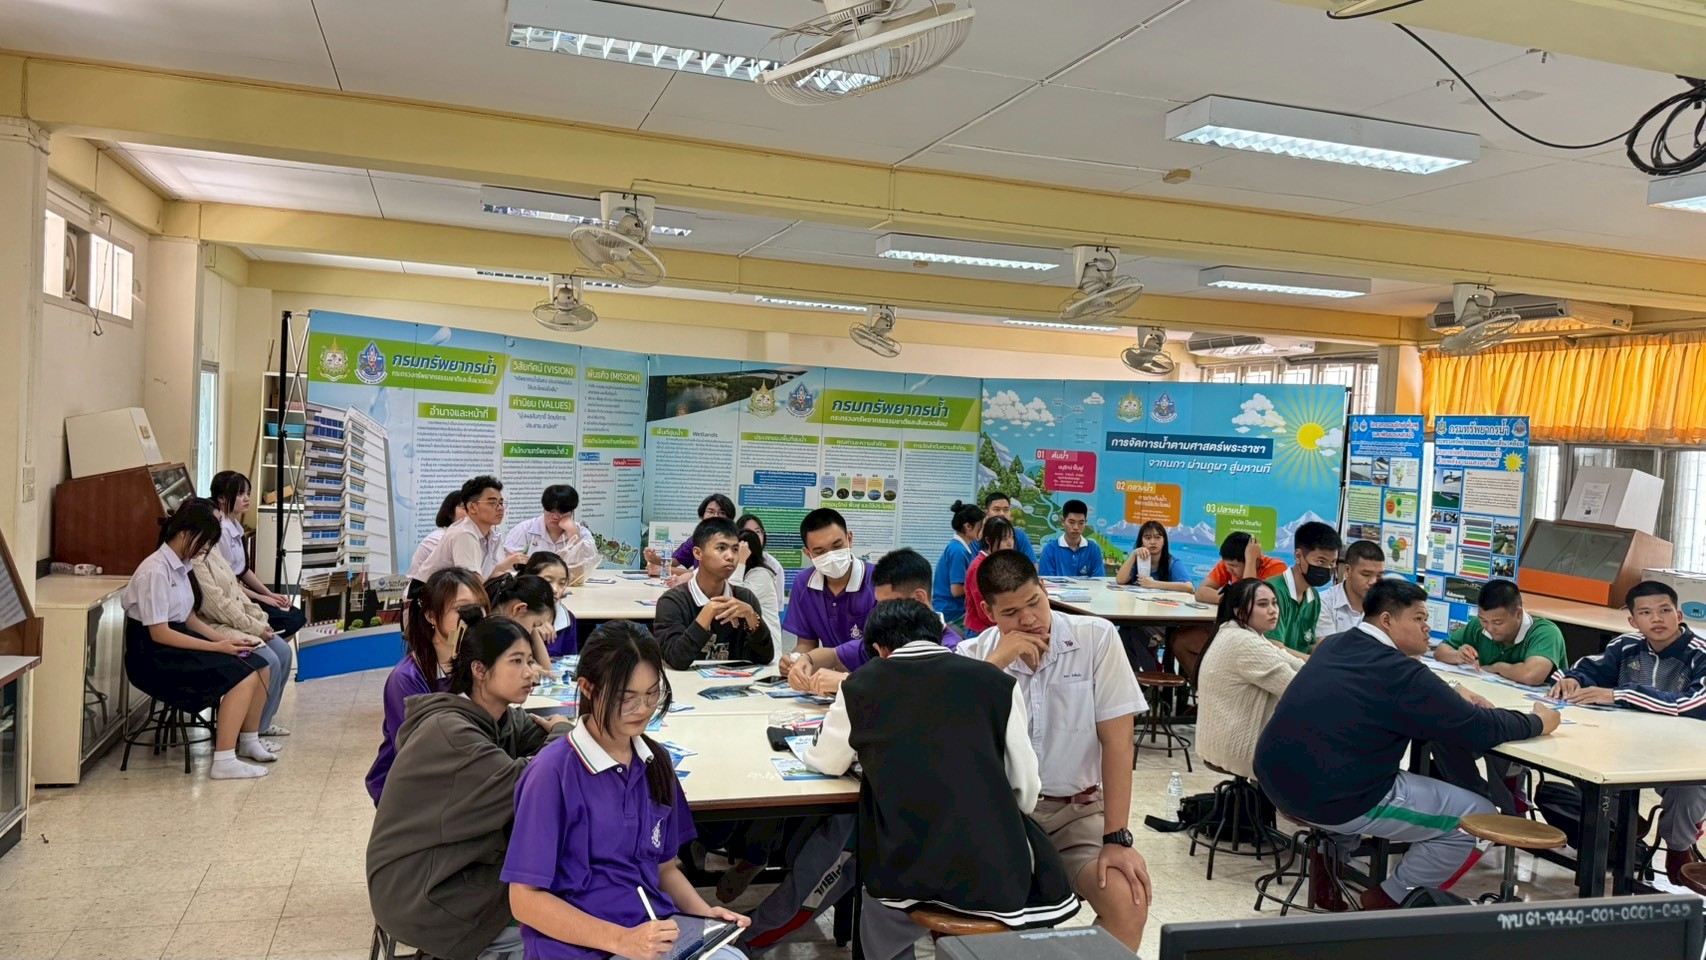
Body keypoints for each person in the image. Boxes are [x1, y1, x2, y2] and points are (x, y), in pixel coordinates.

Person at [1252, 578, 1560, 911]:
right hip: (1335, 797)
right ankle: (1391, 898)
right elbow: (1478, 728)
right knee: (1478, 817)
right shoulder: (1400, 673)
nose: (1428, 628)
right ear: (1387, 620)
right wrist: (1538, 721)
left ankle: (1328, 874)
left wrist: (1450, 691)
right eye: (1419, 618)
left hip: (1276, 781)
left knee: (1352, 766)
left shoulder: (1336, 644)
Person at [804, 600, 1080, 960]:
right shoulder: (997, 682)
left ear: (879, 649)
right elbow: (1026, 789)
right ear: (937, 635)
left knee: (878, 917)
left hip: (906, 867)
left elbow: (826, 760)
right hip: (993, 870)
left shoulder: (860, 685)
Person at [503, 621, 752, 960]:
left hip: (652, 937)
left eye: (651, 694)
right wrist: (622, 941)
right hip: (577, 950)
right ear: (588, 688)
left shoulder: (655, 762)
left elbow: (664, 868)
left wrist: (704, 916)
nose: (644, 709)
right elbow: (524, 899)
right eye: (627, 698)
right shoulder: (552, 773)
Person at [956, 552, 1151, 950]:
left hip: (1077, 813)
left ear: (1044, 589)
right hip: (1000, 820)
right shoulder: (973, 656)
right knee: (997, 924)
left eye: (1034, 602)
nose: (1029, 619)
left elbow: (1117, 742)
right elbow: (954, 742)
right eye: (1011, 613)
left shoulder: (1096, 638)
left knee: (1128, 900)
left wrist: (1117, 837)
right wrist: (997, 664)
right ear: (988, 612)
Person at [367, 615, 572, 960]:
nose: (530, 673)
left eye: (530, 661)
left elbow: (547, 746)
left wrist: (561, 735)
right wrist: (562, 732)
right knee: (560, 916)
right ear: (479, 670)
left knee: (567, 873)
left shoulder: (498, 717)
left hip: (457, 863)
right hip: (424, 891)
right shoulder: (451, 733)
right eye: (516, 661)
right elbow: (527, 784)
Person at [1549, 580, 1706, 891]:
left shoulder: (1698, 654)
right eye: (1646, 613)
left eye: (1665, 610)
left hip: (1684, 751)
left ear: (1679, 615)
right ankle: (1623, 827)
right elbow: (1586, 668)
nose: (1657, 619)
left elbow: (1694, 704)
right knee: (1579, 756)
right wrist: (1571, 679)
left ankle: (1678, 847)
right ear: (1634, 621)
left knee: (1690, 788)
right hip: (1627, 744)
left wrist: (1621, 694)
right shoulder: (1625, 646)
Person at [121, 499, 275, 780]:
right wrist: (217, 647)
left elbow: (190, 618)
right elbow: (160, 632)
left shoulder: (182, 564)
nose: (205, 550)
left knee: (258, 662)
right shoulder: (155, 570)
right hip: (155, 655)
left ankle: (249, 740)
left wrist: (228, 643)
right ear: (185, 534)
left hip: (179, 639)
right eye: (204, 542)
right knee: (245, 674)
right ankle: (224, 760)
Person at [366, 567, 489, 803]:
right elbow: (418, 750)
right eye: (461, 608)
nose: (475, 615)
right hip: (413, 790)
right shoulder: (406, 678)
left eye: (480, 606)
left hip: (464, 773)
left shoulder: (479, 660)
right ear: (431, 616)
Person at [788, 548, 960, 696]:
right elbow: (834, 655)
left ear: (919, 598)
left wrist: (849, 681)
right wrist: (806, 660)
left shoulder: (952, 649)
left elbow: (918, 691)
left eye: (888, 604)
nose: (880, 611)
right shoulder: (888, 637)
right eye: (878, 604)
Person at [1197, 579, 1302, 780]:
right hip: (1238, 750)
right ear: (1240, 612)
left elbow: (1291, 661)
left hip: (1217, 743)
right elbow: (1297, 688)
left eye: (1274, 603)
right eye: (1263, 604)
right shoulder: (1244, 642)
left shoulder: (1240, 632)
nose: (1273, 610)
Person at [189, 541, 293, 742]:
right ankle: (247, 733)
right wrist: (255, 628)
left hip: (239, 623)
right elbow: (217, 605)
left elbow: (236, 590)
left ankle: (262, 723)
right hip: (217, 626)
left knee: (283, 652)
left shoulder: (213, 550)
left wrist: (259, 621)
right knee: (268, 660)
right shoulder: (195, 559)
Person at [653, 518, 774, 670]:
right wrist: (708, 612)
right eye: (721, 548)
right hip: (688, 684)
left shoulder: (744, 598)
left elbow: (765, 658)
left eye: (735, 549)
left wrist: (751, 617)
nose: (730, 556)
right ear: (698, 553)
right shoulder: (672, 601)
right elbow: (676, 659)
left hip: (735, 682)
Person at [209, 471, 308, 641]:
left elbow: (243, 570)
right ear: (221, 498)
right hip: (231, 595)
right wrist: (262, 597)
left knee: (295, 616)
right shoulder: (222, 531)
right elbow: (228, 582)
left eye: (248, 493)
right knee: (289, 621)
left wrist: (269, 594)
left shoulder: (234, 524)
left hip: (240, 590)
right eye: (240, 494)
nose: (247, 498)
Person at [778, 508, 873, 672]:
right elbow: (806, 643)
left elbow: (886, 648)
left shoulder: (879, 580)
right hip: (829, 679)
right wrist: (794, 661)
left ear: (850, 539)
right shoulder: (804, 583)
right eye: (820, 551)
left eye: (837, 546)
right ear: (808, 553)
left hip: (872, 677)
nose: (831, 556)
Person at [1434, 580, 1568, 687]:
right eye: (1484, 620)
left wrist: (1498, 668)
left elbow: (1532, 675)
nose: (1489, 628)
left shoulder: (1545, 632)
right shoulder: (1478, 626)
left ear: (1518, 614)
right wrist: (1457, 656)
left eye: (1497, 622)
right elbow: (1440, 651)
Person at [415, 476, 528, 586]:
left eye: (501, 503)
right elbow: (473, 586)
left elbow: (493, 575)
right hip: (428, 593)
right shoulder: (464, 533)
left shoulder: (493, 531)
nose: (500, 508)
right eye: (492, 503)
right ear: (472, 507)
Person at [1264, 521, 1341, 655]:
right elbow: (1274, 647)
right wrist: (1313, 663)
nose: (1328, 568)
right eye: (1321, 561)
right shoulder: (1272, 591)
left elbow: (1308, 645)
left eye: (1332, 563)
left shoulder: (1314, 597)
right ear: (1298, 556)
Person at [503, 484, 601, 585]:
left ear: (571, 512)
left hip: (571, 587)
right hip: (532, 588)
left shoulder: (581, 532)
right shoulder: (524, 529)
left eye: (561, 512)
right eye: (551, 511)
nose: (555, 516)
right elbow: (507, 566)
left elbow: (587, 567)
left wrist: (572, 532)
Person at [485, 573, 562, 678]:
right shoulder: (488, 634)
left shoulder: (501, 624)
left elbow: (548, 671)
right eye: (534, 625)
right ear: (519, 609)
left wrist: (533, 628)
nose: (531, 631)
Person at [644, 493, 736, 577]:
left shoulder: (732, 542)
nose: (716, 516)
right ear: (702, 516)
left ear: (729, 518)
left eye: (722, 513)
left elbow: (707, 575)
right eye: (710, 512)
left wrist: (664, 570)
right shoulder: (698, 538)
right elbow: (676, 561)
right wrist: (653, 558)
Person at [1194, 532, 1288, 605]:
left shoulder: (1276, 568)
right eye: (1226, 565)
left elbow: (1249, 601)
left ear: (1255, 560)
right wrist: (1230, 600)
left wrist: (1250, 561)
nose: (1228, 570)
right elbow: (1200, 591)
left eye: (1233, 566)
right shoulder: (1228, 563)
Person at [1316, 540, 1385, 640]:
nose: (1374, 581)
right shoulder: (1323, 603)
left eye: (1379, 576)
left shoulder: (1385, 605)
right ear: (1347, 571)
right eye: (1366, 574)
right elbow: (1327, 647)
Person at [932, 501, 984, 627]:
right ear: (968, 526)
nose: (983, 530)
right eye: (981, 526)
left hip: (953, 609)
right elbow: (956, 590)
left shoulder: (961, 547)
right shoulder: (958, 551)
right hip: (951, 612)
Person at [729, 528, 782, 646]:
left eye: (735, 550)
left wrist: (741, 560)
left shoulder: (762, 575)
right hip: (748, 643)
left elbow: (734, 597)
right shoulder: (742, 573)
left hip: (766, 647)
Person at [1113, 521, 1194, 594]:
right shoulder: (1137, 560)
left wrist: (1153, 584)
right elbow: (1120, 580)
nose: (1152, 542)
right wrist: (1133, 554)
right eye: (1147, 538)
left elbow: (1189, 587)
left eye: (1157, 537)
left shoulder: (1173, 563)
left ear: (1164, 541)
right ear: (1141, 542)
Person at [523, 552, 579, 657]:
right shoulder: (515, 614)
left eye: (562, 583)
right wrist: (531, 630)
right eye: (548, 581)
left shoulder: (567, 619)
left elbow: (570, 661)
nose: (555, 589)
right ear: (529, 579)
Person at [407, 490, 466, 588]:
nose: (471, 512)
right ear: (450, 513)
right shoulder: (438, 539)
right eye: (464, 507)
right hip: (422, 592)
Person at [965, 518, 1013, 635]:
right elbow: (982, 608)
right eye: (1004, 538)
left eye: (1012, 537)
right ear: (988, 540)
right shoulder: (978, 567)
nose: (1010, 543)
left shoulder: (1000, 561)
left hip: (998, 625)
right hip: (980, 630)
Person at [1037, 499, 1104, 578]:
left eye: (1081, 523)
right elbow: (1046, 582)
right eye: (1071, 522)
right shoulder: (1050, 550)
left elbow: (1099, 581)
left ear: (1085, 522)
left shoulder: (1094, 550)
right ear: (1063, 521)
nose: (1076, 527)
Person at [733, 513, 789, 587]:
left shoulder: (771, 565)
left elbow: (735, 591)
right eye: (748, 532)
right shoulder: (730, 558)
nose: (754, 536)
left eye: (758, 531)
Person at [983, 491, 1037, 563]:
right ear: (986, 513)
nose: (1002, 514)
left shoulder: (1020, 535)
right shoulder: (976, 536)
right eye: (996, 509)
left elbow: (1032, 567)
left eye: (1006, 510)